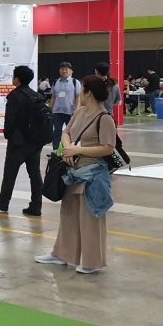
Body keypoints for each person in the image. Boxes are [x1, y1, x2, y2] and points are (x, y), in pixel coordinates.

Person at [35, 76, 116, 274]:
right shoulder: (79, 112)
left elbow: (108, 148)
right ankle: (62, 254)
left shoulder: (104, 118)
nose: (79, 94)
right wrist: (69, 149)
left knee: (91, 219)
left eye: (82, 90)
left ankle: (92, 262)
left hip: (92, 175)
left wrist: (78, 151)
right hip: (72, 172)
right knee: (68, 215)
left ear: (88, 92)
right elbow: (66, 132)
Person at [0, 65, 44, 217]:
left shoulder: (15, 96)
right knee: (35, 173)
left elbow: (10, 119)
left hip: (18, 142)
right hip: (35, 142)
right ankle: (36, 205)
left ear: (17, 79)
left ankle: (3, 201)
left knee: (10, 172)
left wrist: (8, 135)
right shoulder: (36, 95)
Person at [50, 62, 81, 151]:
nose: (64, 71)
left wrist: (77, 109)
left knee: (71, 132)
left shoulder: (75, 82)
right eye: (62, 69)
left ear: (71, 71)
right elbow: (53, 97)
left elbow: (78, 97)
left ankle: (70, 149)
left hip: (70, 111)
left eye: (66, 69)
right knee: (57, 132)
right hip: (57, 111)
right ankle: (55, 150)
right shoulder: (56, 82)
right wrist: (50, 109)